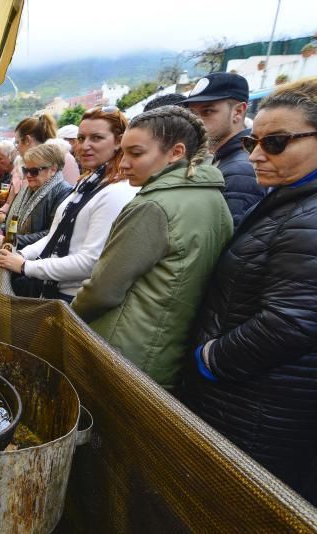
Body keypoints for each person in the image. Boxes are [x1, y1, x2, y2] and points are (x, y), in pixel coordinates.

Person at [182, 77, 317, 504]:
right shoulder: (285, 198)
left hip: (260, 410)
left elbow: (293, 321)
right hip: (246, 402)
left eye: (275, 142)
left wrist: (211, 359)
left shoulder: (307, 215)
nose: (257, 154)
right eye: (252, 143)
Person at [71, 106, 232, 391]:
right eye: (123, 153)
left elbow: (103, 288)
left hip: (123, 347)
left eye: (136, 154)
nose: (123, 164)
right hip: (166, 349)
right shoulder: (214, 200)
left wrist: (69, 316)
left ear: (176, 152)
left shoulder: (152, 205)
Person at [0, 110, 137, 302]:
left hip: (73, 298)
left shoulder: (117, 191)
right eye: (81, 138)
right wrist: (22, 253)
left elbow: (91, 262)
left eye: (96, 138)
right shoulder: (86, 184)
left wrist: (25, 266)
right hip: (52, 291)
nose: (85, 146)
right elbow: (54, 236)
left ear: (118, 141)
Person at [182, 72, 265, 226]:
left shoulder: (241, 170)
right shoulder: (224, 157)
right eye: (193, 113)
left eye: (207, 112)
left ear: (238, 112)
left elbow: (227, 239)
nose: (197, 121)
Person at [0, 144, 72, 250]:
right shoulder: (28, 188)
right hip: (16, 256)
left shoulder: (64, 191)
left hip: (36, 261)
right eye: (26, 170)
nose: (28, 175)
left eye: (34, 171)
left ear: (53, 169)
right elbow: (12, 222)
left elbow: (52, 234)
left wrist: (7, 240)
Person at [0, 112, 79, 225]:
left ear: (28, 140)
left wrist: (12, 229)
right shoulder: (21, 164)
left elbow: (66, 206)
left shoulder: (63, 159)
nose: (17, 148)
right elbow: (10, 203)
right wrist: (1, 216)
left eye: (17, 142)